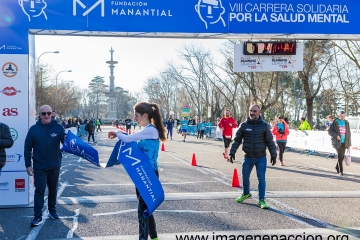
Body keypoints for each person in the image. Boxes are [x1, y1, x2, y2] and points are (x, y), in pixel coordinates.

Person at [108, 102, 166, 240]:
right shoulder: (147, 129)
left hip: (148, 174)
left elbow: (128, 138)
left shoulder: (151, 130)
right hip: (142, 173)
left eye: (136, 115)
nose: (134, 118)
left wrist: (117, 133)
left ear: (145, 115)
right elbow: (130, 140)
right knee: (146, 208)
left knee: (142, 210)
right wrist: (119, 134)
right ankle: (154, 237)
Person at [24, 105, 66, 227]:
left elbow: (66, 143)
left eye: (49, 113)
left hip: (54, 165)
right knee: (39, 190)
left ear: (52, 113)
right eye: (44, 114)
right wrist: (28, 165)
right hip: (39, 166)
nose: (47, 116)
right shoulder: (33, 129)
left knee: (53, 190)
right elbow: (27, 148)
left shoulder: (58, 127)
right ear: (39, 115)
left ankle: (52, 210)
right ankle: (37, 216)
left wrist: (70, 140)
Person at [229, 105, 277, 209]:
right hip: (247, 157)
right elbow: (237, 140)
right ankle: (246, 193)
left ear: (259, 113)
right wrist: (232, 152)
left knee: (261, 179)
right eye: (251, 111)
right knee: (245, 177)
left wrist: (273, 155)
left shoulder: (264, 126)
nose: (252, 113)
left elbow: (270, 141)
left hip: (261, 157)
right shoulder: (244, 125)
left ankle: (261, 200)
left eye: (254, 111)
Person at [328, 110, 351, 176]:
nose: (343, 117)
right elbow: (330, 131)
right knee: (340, 155)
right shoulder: (335, 122)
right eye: (341, 116)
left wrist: (349, 144)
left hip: (344, 142)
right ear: (338, 116)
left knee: (342, 156)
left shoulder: (346, 122)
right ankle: (341, 171)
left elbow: (349, 134)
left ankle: (337, 166)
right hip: (337, 142)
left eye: (344, 116)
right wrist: (336, 136)